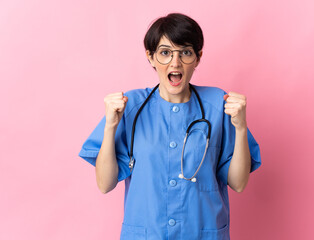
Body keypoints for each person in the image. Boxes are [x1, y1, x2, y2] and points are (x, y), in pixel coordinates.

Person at [78, 13, 261, 240]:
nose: (175, 63)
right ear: (151, 57)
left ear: (197, 57)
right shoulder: (130, 107)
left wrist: (241, 127)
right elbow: (105, 184)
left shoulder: (219, 105)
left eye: (185, 52)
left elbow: (239, 183)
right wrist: (110, 127)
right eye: (165, 53)